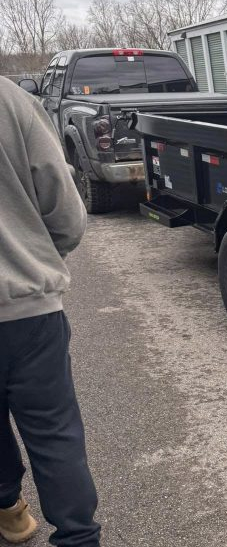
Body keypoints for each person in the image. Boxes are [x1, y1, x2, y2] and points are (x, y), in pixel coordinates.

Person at [0, 77, 100, 546]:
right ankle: (79, 538)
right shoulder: (9, 99)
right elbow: (65, 211)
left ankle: (9, 510)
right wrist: (35, 258)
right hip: (25, 309)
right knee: (54, 432)